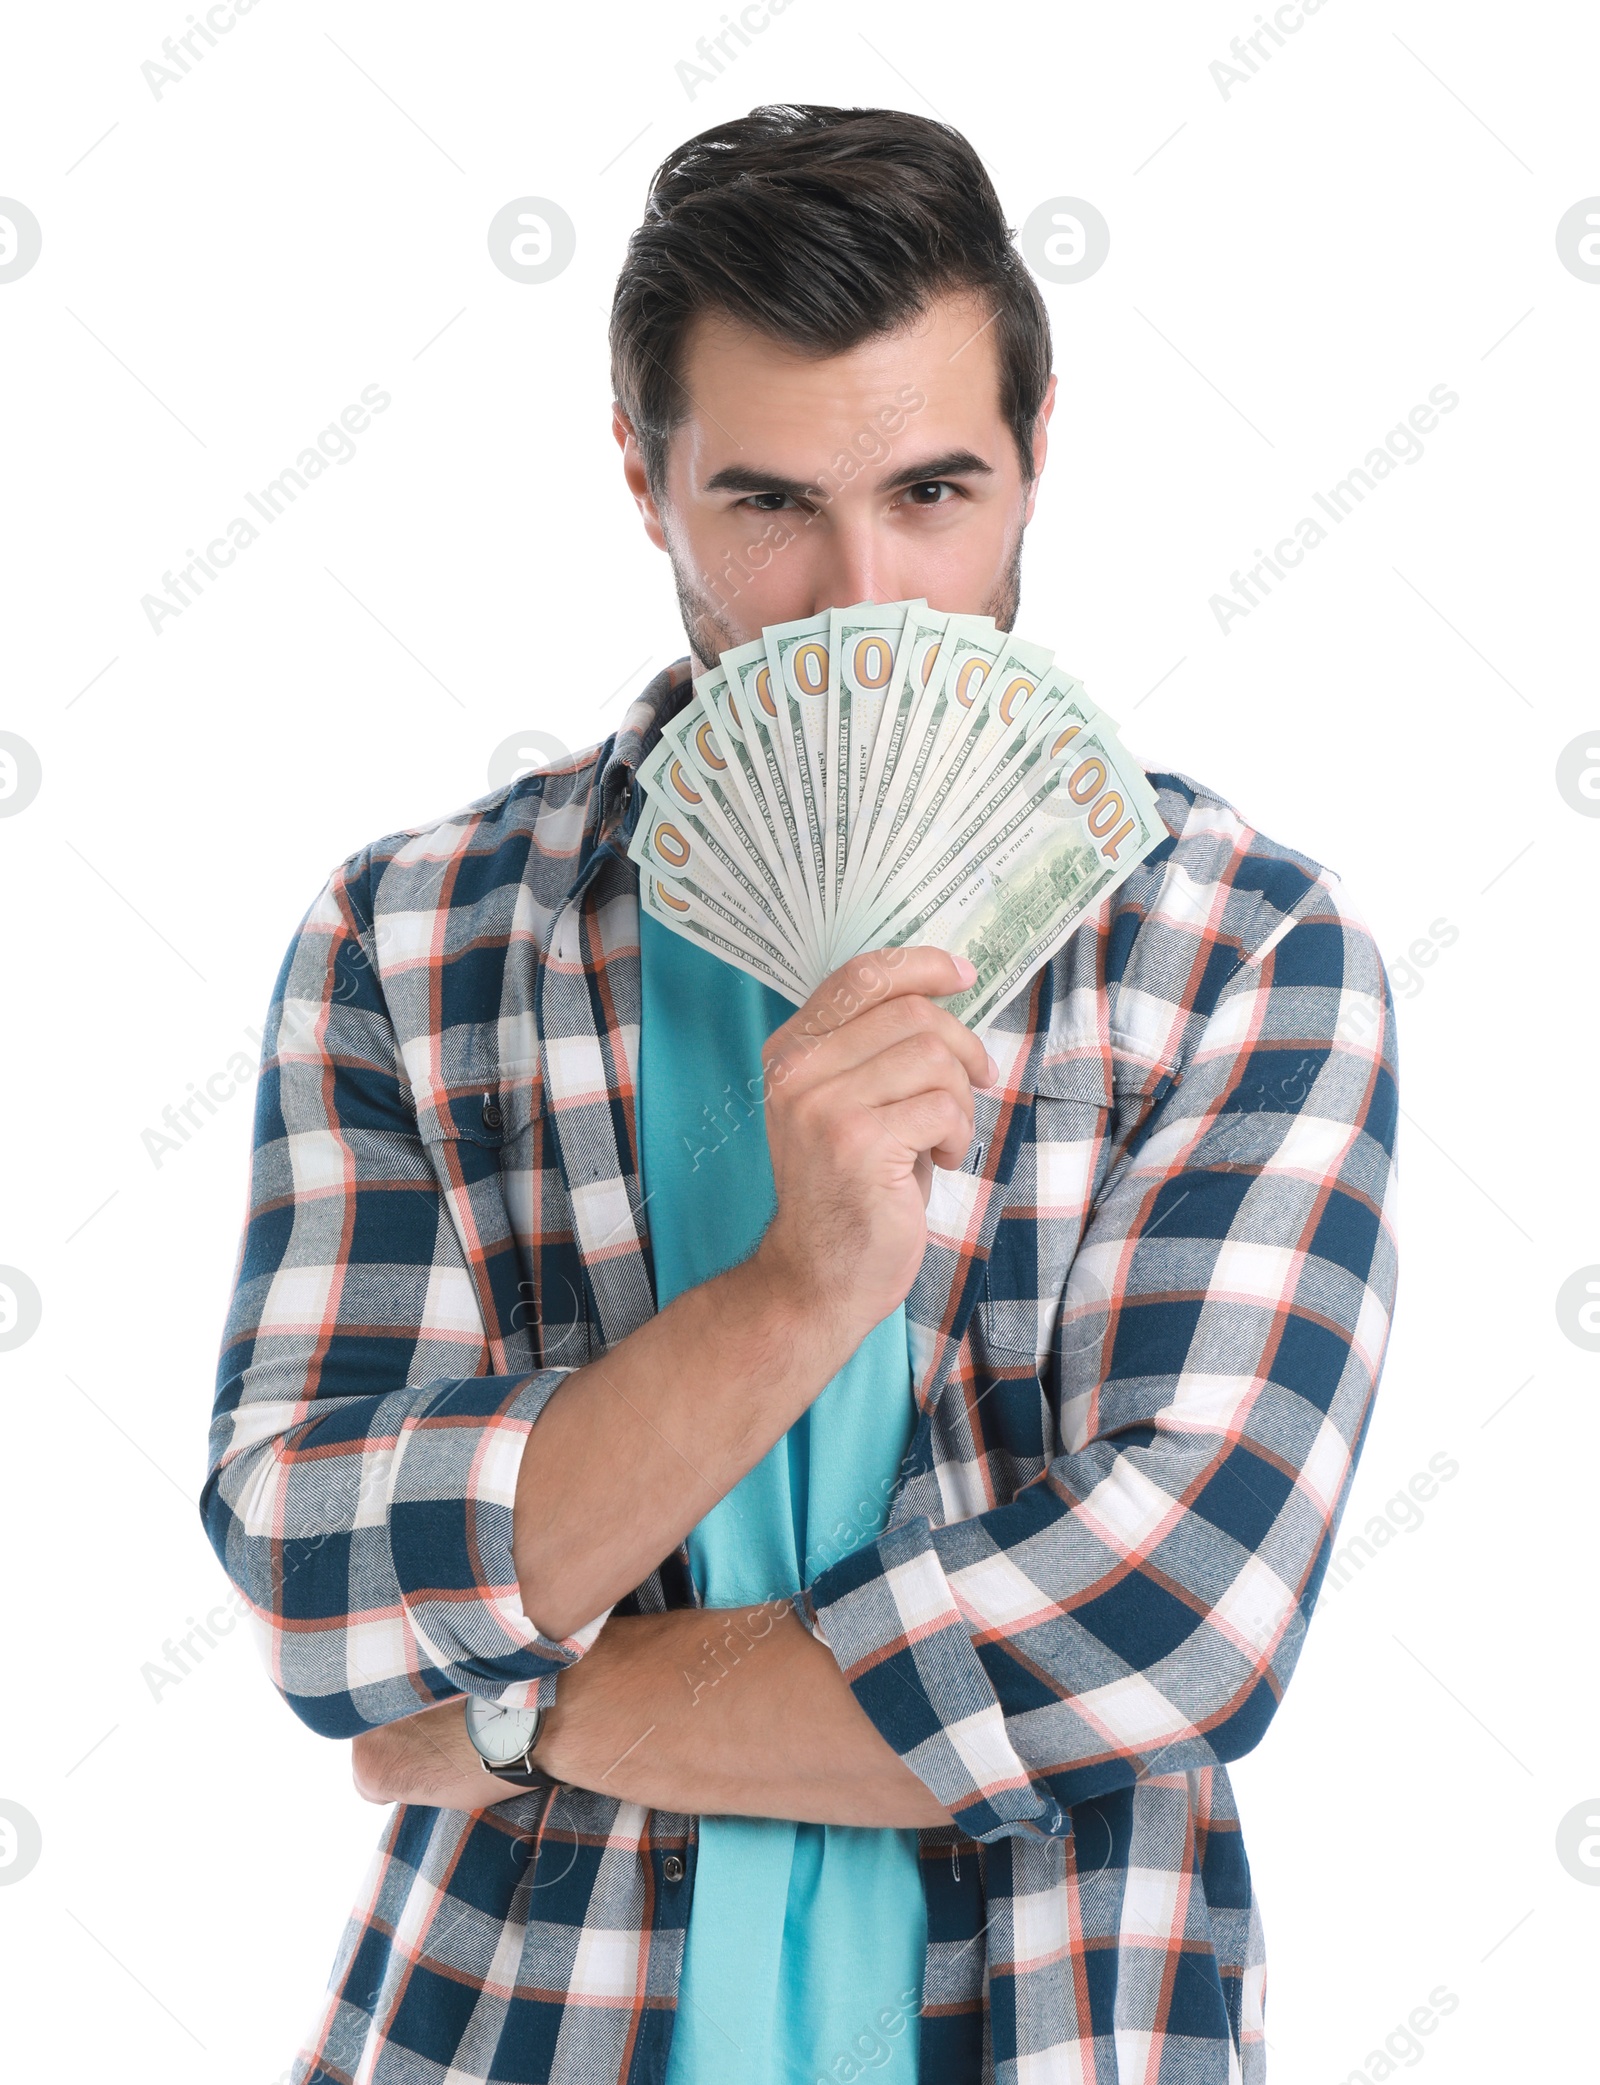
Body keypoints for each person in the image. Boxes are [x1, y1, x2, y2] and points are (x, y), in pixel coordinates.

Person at [202, 104, 1398, 2085]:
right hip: (505, 2025)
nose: (861, 597)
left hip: (1049, 2023)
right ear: (642, 480)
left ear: (1034, 454)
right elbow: (329, 1597)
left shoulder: (1234, 949)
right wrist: (798, 1288)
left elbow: (1166, 1626)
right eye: (766, 505)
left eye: (933, 490)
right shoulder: (415, 942)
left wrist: (523, 1711)